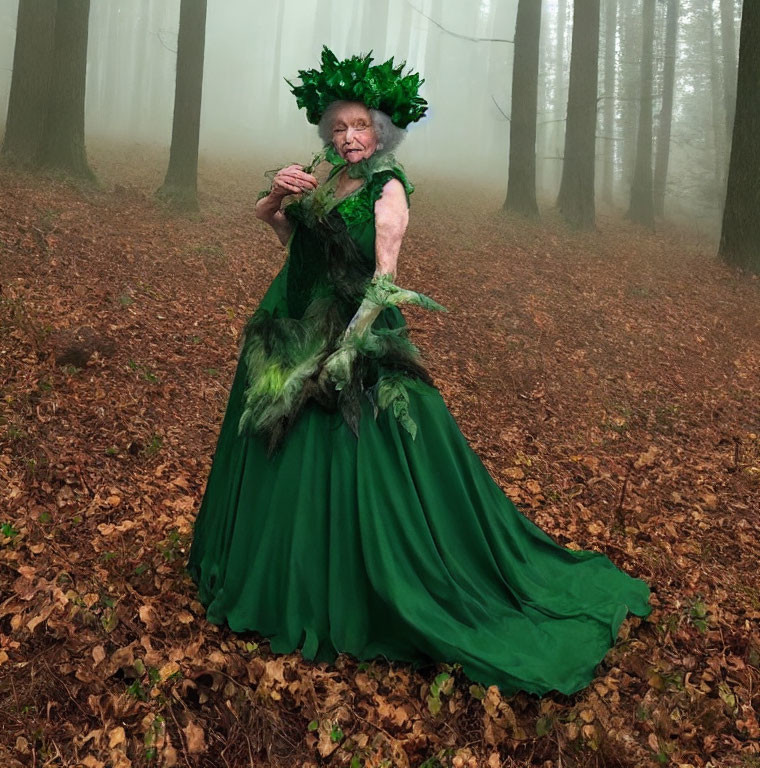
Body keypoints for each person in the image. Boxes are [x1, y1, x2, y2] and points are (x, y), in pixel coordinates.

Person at [186, 47, 651, 697]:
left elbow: (383, 286)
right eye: (339, 127)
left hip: (354, 333)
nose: (349, 137)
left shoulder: (389, 189)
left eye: (362, 127)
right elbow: (287, 236)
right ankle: (269, 578)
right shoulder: (322, 175)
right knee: (274, 446)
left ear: (383, 131)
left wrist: (343, 354)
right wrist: (274, 195)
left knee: (351, 459)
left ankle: (344, 591)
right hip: (287, 324)